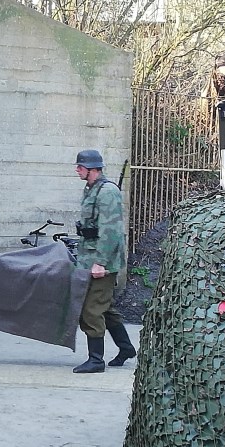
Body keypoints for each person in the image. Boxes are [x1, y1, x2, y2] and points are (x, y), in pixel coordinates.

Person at [72, 149, 136, 374]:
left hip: (102, 262)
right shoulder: (91, 189)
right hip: (90, 258)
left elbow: (112, 231)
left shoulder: (107, 191)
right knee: (104, 308)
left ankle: (96, 360)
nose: (77, 169)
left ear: (92, 169)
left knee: (91, 310)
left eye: (80, 166)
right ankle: (126, 348)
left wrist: (100, 262)